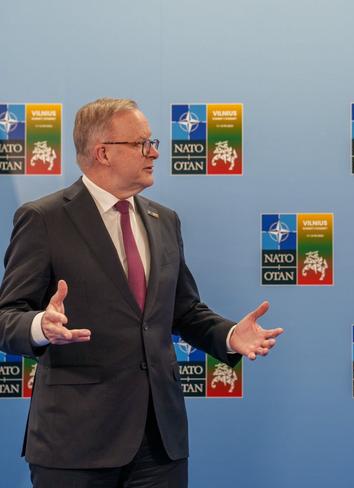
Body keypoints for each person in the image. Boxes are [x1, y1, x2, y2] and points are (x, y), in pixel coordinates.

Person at [0, 98, 284, 487]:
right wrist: (39, 326)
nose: (153, 152)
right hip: (75, 443)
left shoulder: (163, 219)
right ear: (103, 152)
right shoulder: (44, 218)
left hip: (159, 443)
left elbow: (184, 311)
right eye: (141, 144)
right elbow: (7, 315)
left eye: (153, 143)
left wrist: (230, 335)